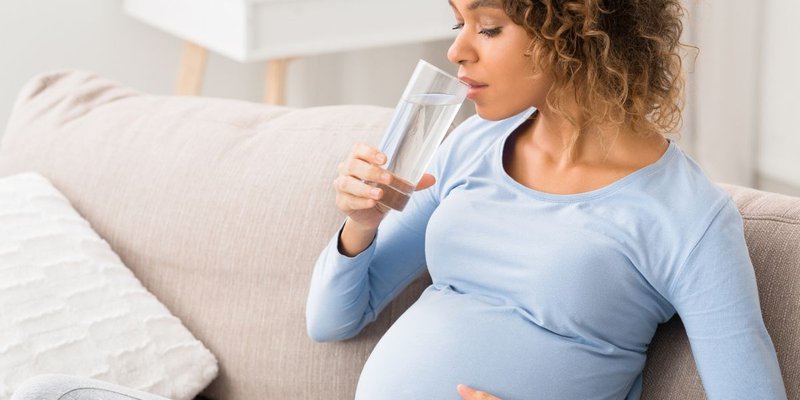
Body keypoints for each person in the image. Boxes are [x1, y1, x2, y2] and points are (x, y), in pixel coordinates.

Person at [305, 0, 788, 399]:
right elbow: (331, 320)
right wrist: (362, 224)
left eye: (488, 28)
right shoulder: (470, 146)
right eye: (459, 23)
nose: (457, 49)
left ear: (574, 29)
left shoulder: (688, 217)